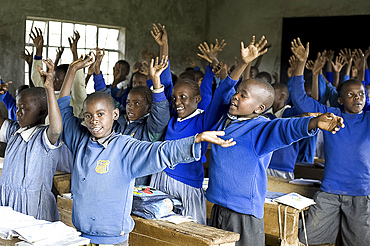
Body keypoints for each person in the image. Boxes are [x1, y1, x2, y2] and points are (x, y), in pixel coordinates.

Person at [56, 55, 235, 245]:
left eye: (101, 114)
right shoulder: (80, 140)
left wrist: (196, 139)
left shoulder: (125, 147)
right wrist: (72, 71)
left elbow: (161, 152)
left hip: (114, 238)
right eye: (88, 116)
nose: (94, 121)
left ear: (115, 114)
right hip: (82, 234)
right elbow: (63, 110)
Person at [205, 39, 344, 246]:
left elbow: (286, 129)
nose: (235, 97)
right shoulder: (225, 119)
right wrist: (243, 64)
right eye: (237, 92)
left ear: (259, 109)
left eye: (243, 96)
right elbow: (223, 93)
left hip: (244, 214)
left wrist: (314, 122)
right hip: (218, 207)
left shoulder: (261, 128)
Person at [150, 36, 269, 225]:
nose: (177, 102)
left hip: (187, 185)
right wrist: (164, 46)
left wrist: (243, 64)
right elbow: (164, 79)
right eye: (175, 98)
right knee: (158, 228)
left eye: (183, 97)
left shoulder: (204, 120)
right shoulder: (172, 116)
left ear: (197, 99)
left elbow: (222, 91)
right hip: (161, 178)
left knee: (189, 231)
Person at [289, 38, 370, 246]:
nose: (357, 98)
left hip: (362, 194)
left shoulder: (368, 119)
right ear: (340, 100)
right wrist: (300, 64)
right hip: (330, 192)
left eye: (361, 94)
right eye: (350, 95)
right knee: (306, 238)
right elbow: (300, 99)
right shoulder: (331, 115)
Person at [0, 58, 66, 221]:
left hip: (33, 209)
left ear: (42, 111)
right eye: (17, 108)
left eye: (24, 108)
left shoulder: (45, 138)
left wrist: (49, 88)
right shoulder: (15, 132)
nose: (18, 113)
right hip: (8, 203)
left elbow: (56, 128)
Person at [29, 27, 86, 119]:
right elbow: (36, 78)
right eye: (54, 78)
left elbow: (78, 83)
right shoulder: (48, 93)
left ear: (68, 80)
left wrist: (75, 54)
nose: (54, 82)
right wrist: (39, 50)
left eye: (58, 79)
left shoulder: (75, 99)